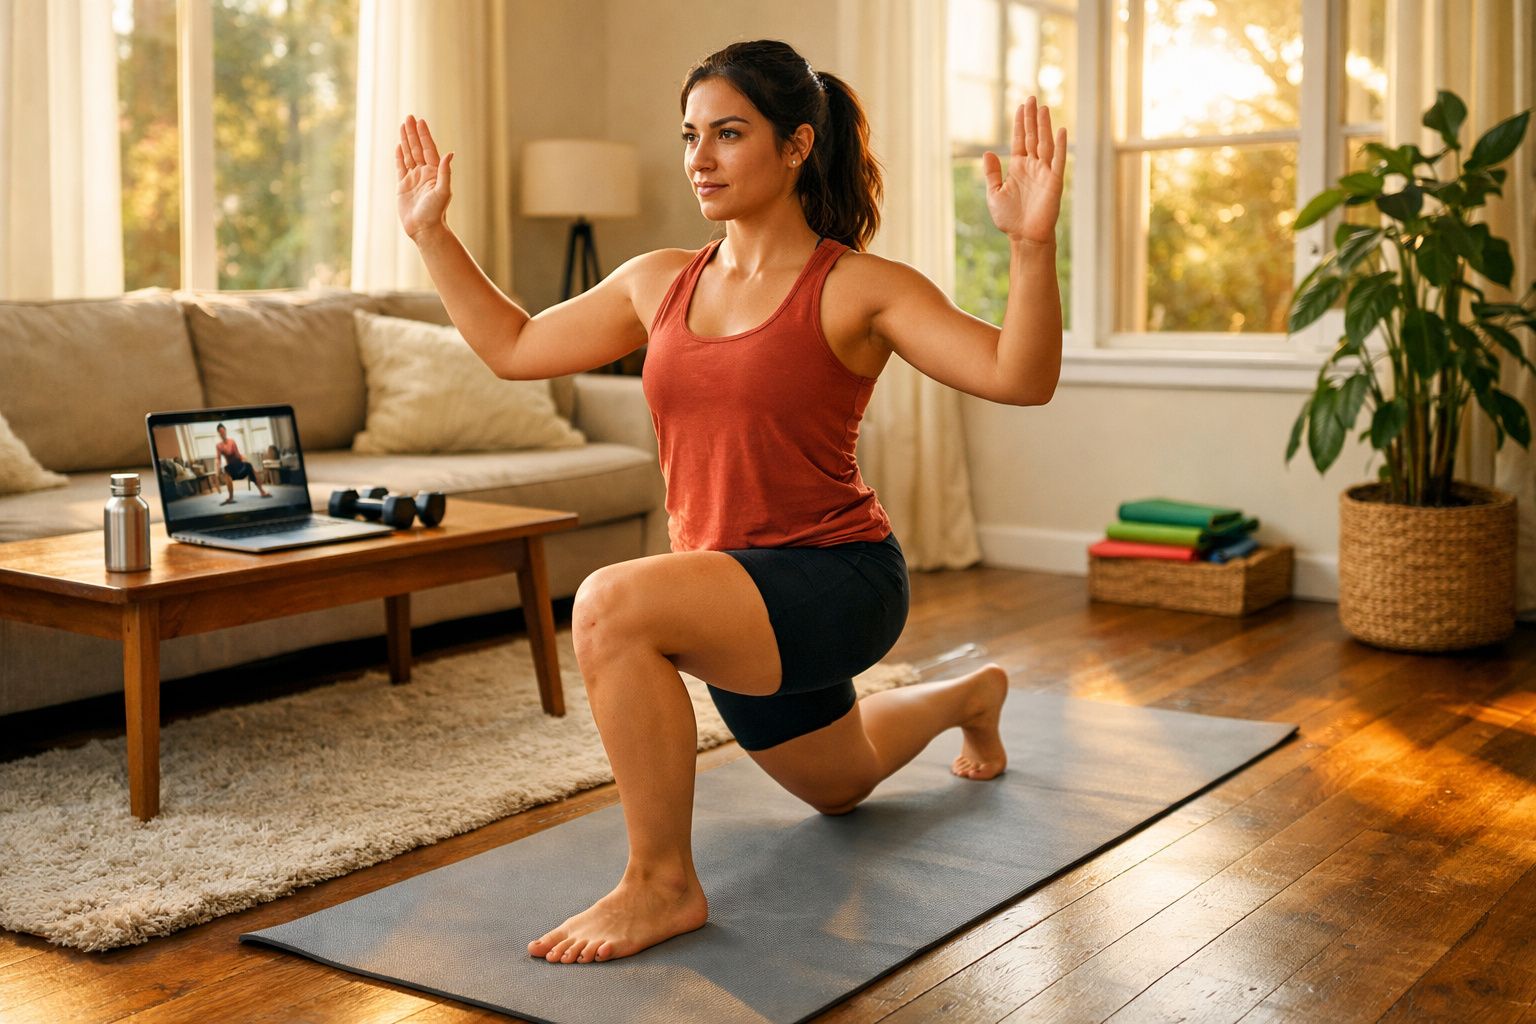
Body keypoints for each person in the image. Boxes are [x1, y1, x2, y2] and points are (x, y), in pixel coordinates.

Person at [395, 39, 1065, 965]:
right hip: (733, 595)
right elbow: (513, 346)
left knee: (611, 604)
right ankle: (967, 698)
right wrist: (432, 232)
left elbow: (1017, 377)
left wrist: (1031, 247)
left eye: (728, 134)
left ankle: (660, 885)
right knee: (841, 784)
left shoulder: (859, 288)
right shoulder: (658, 280)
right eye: (690, 135)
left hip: (839, 581)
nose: (698, 158)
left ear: (795, 147)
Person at [213, 423, 273, 504]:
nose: (222, 433)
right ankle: (230, 498)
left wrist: (244, 458)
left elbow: (238, 454)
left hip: (239, 465)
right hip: (231, 468)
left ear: (225, 431)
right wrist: (217, 470)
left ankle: (262, 491)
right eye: (220, 432)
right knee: (226, 469)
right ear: (219, 433)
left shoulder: (232, 441)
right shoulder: (219, 446)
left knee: (249, 466)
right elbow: (218, 459)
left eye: (223, 431)